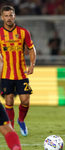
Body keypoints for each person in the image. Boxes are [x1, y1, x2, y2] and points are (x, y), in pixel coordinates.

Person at [0, 5, 37, 137]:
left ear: (14, 16)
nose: (9, 18)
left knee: (25, 100)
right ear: (2, 17)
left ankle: (21, 120)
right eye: (6, 16)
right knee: (9, 101)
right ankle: (11, 128)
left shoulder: (23, 32)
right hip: (5, 75)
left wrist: (32, 64)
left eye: (11, 15)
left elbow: (31, 48)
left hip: (21, 74)